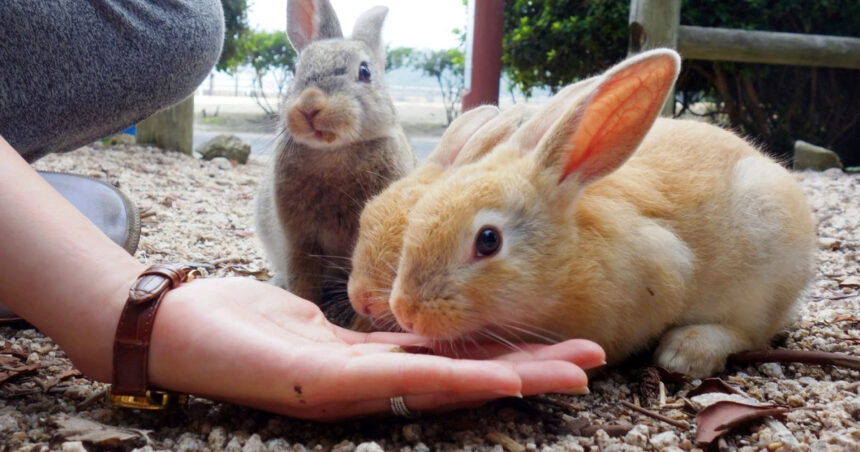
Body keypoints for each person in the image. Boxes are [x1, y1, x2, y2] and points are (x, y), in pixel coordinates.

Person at [0, 1, 604, 420]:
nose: (315, 106)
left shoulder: (391, 156)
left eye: (351, 79)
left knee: (185, 24)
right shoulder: (291, 156)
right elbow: (295, 239)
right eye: (304, 85)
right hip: (302, 265)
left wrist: (109, 302)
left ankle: (24, 204)